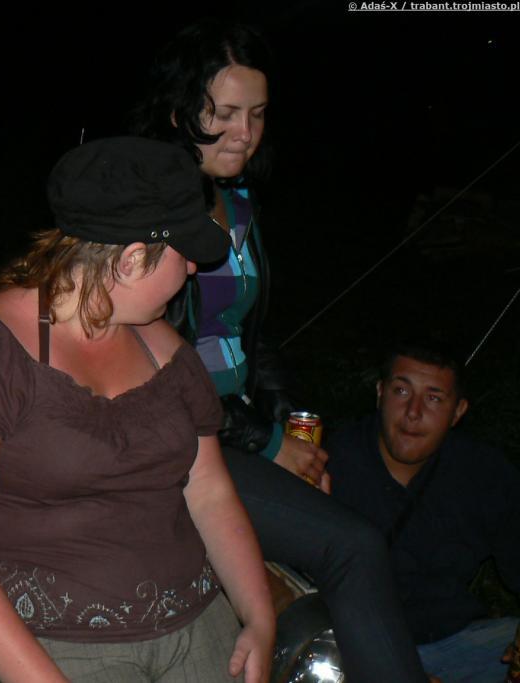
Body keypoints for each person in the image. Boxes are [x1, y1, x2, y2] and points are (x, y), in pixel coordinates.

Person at [0, 136, 275, 683]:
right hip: (51, 648)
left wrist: (258, 615)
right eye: (184, 253)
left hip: (198, 624)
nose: (194, 268)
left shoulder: (163, 346)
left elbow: (209, 490)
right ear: (131, 260)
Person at [130, 19, 431, 682]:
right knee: (353, 546)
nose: (245, 132)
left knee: (344, 508)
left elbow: (252, 335)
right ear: (179, 113)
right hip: (177, 440)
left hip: (237, 426)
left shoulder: (237, 199)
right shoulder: (149, 211)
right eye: (225, 113)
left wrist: (296, 430)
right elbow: (159, 368)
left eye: (258, 114)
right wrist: (269, 445)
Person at [328, 341, 520, 683]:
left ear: (458, 411)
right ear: (380, 393)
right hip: (348, 648)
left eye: (433, 398)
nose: (413, 412)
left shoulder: (483, 472)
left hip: (454, 644)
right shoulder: (332, 461)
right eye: (401, 391)